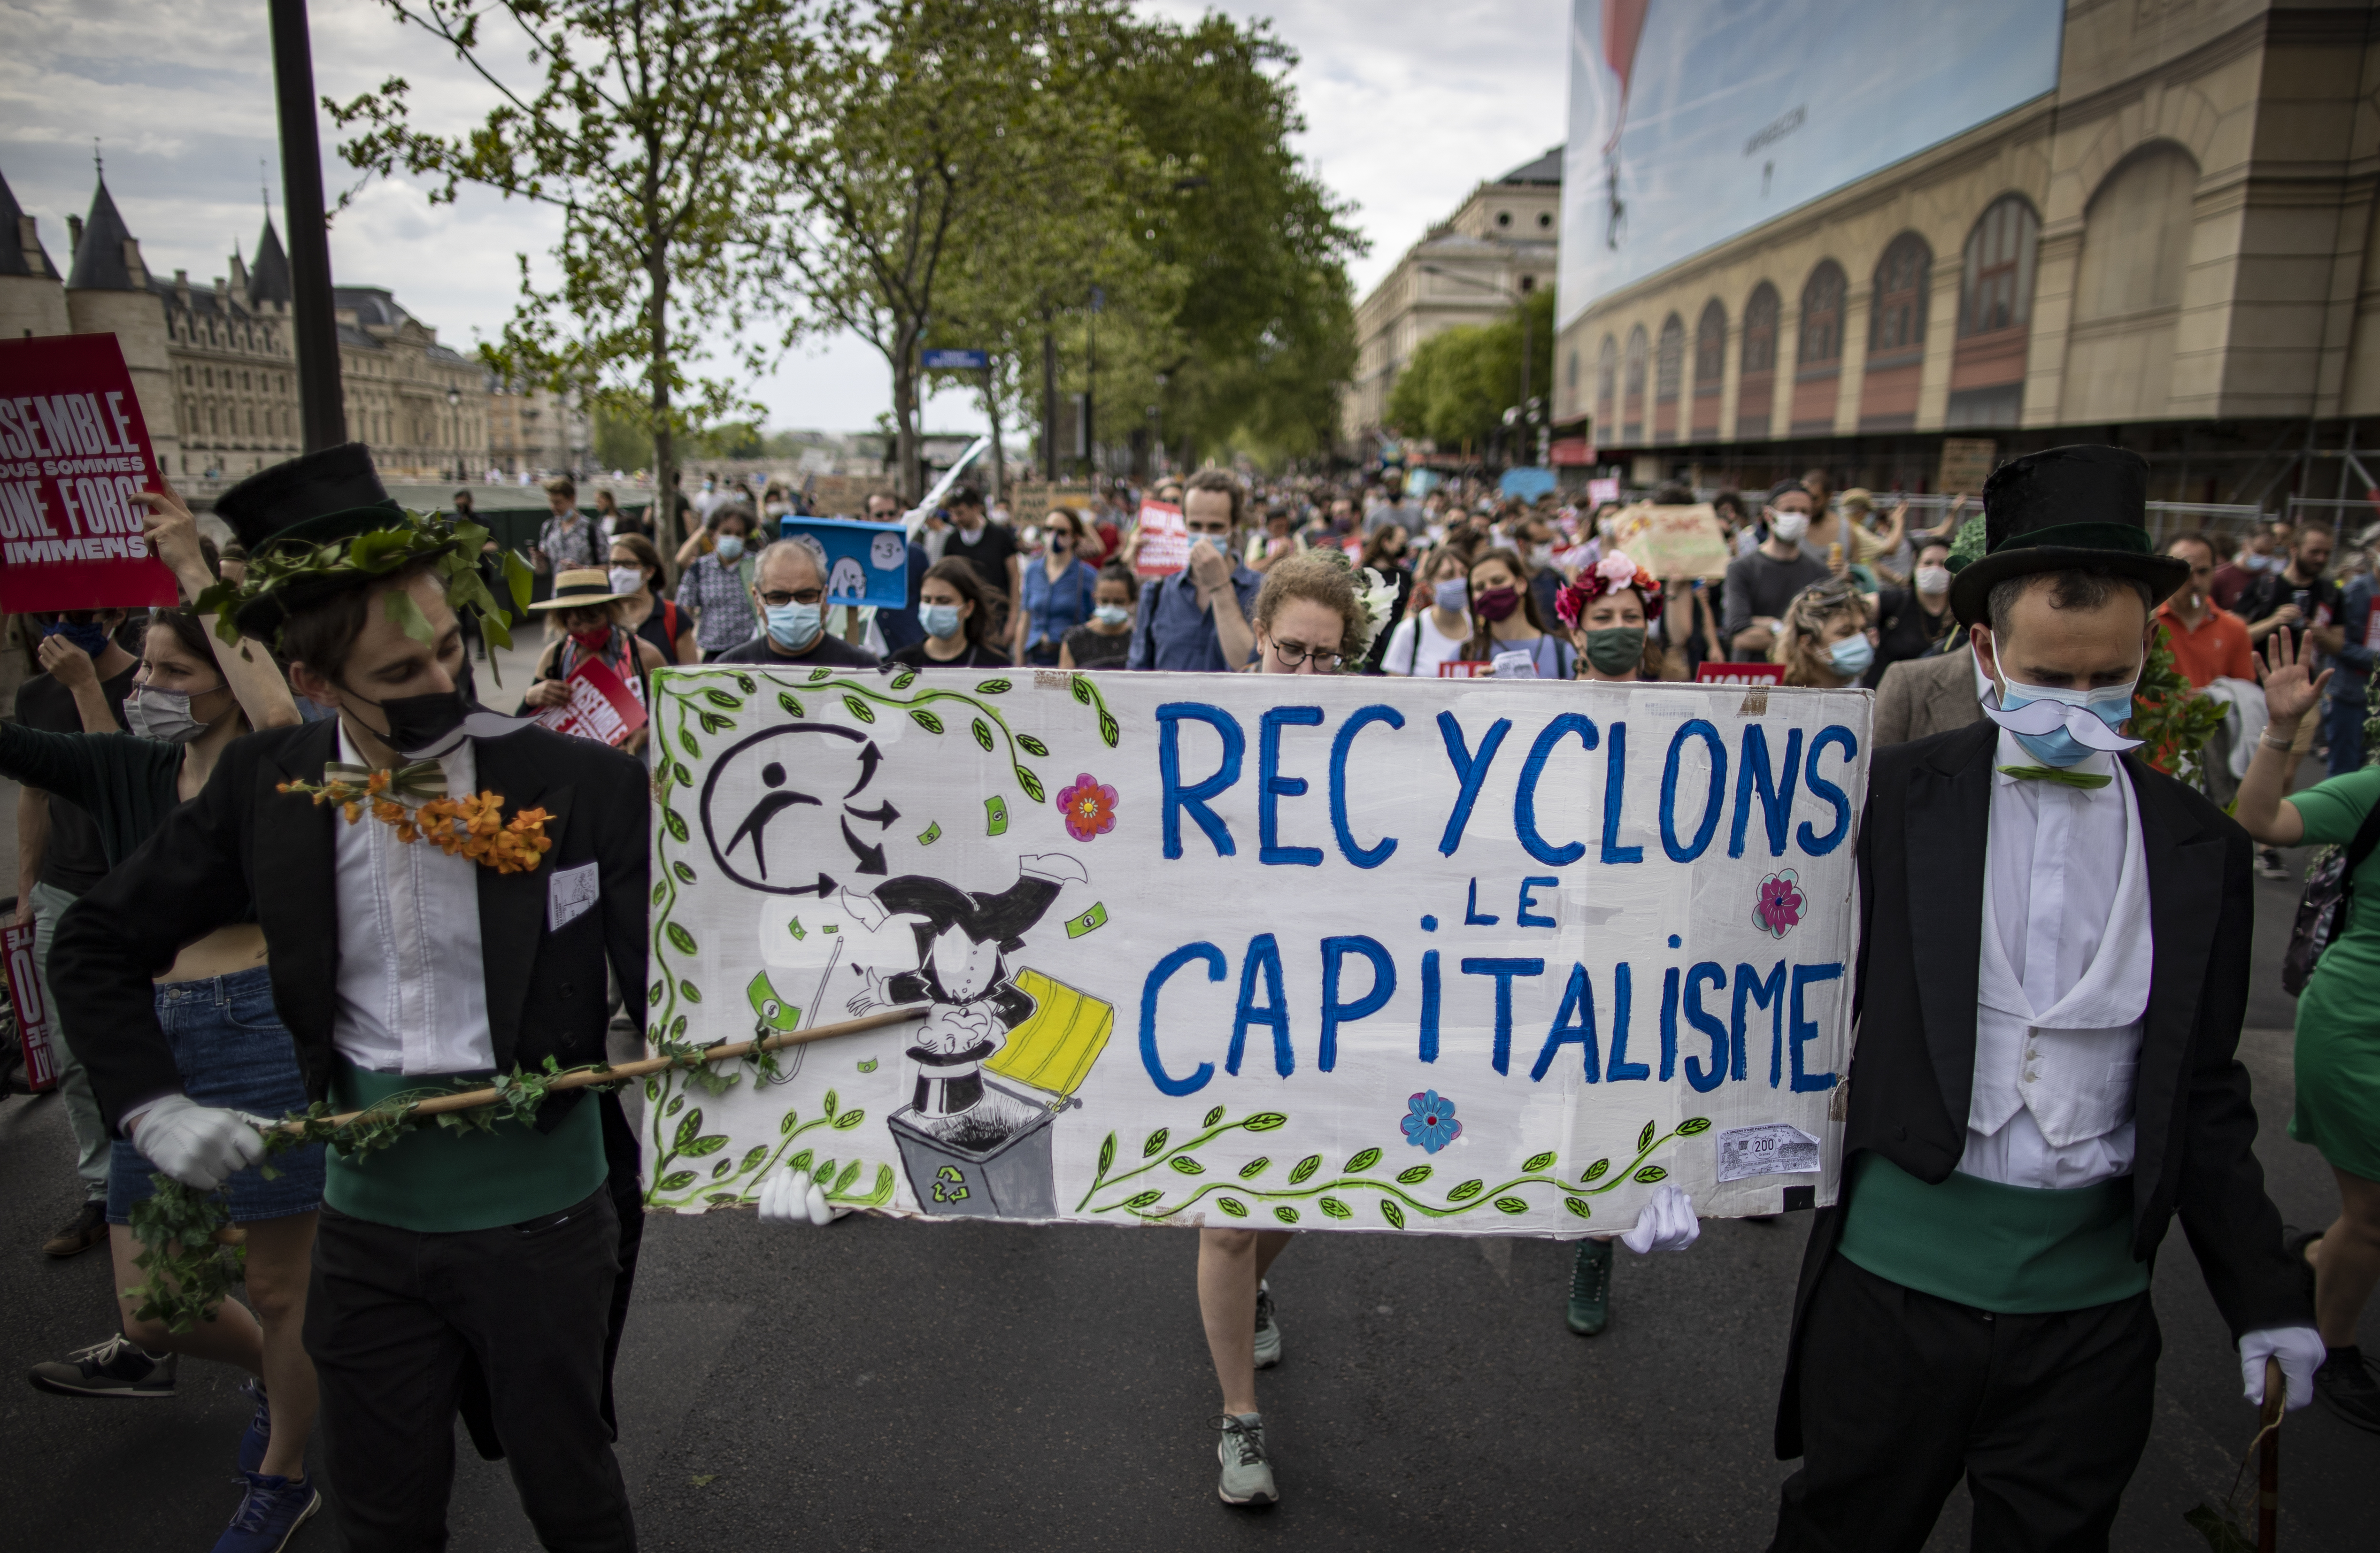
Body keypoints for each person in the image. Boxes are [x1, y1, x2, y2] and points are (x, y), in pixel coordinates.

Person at [54, 443, 652, 1553]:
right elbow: (94, 941)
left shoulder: (584, 784)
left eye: (451, 648)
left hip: (549, 1227)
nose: (445, 686)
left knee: (573, 1492)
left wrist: (769, 1140)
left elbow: (676, 990)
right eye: (402, 672)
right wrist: (151, 1104)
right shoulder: (273, 784)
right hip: (367, 1235)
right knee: (381, 1514)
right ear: (317, 684)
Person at [1769, 445, 2321, 1552]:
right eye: (2048, 679)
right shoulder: (1886, 801)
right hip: (1889, 1294)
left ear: (2144, 652)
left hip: (2088, 1323)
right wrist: (1693, 1164)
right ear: (1984, 650)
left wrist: (2264, 1291)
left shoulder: (2200, 850)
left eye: (2104, 678)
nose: (2078, 706)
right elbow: (1778, 994)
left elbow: (2205, 1093)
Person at [12, 482, 325, 1550]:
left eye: (173, 671)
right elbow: (20, 750)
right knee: (155, 1308)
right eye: (143, 669)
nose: (148, 686)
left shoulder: (271, 762)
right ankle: (287, 1382)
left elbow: (280, 716)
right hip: (156, 1041)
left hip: (260, 1028)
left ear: (226, 680)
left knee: (279, 1287)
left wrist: (194, 567)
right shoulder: (132, 766)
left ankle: (285, 1471)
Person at [2232, 626, 2380, 1431]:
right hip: (2361, 1027)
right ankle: (2336, 1343)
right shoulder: (2371, 789)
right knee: (2377, 1211)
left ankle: (2324, 1256)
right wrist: (2282, 730)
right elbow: (2261, 817)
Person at [13, 603, 140, 1257]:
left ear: (114, 611)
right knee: (75, 1051)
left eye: (80, 611)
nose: (62, 623)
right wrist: (27, 889)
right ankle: (104, 1189)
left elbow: (124, 772)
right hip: (64, 892)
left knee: (162, 1041)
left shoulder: (154, 682)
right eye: (50, 614)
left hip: (141, 890)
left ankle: (186, 1185)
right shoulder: (35, 696)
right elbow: (34, 793)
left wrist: (87, 684)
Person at [1128, 469, 1260, 672]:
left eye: (1216, 527)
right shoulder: (1156, 594)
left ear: (1234, 525)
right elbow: (1137, 672)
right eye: (1195, 526)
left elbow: (1251, 667)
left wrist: (1220, 586)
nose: (1204, 537)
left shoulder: (1262, 591)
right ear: (1184, 523)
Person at [523, 569, 669, 748]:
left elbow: (674, 713)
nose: (585, 630)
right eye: (576, 624)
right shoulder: (555, 657)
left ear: (610, 614)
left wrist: (646, 733)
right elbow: (521, 723)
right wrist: (531, 697)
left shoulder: (644, 655)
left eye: (593, 621)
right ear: (563, 622)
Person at [713, 535, 882, 669]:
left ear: (825, 598)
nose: (793, 607)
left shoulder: (862, 669)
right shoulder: (728, 671)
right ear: (757, 600)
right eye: (778, 597)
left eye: (806, 596)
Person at [1722, 480, 1830, 660]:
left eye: (1804, 512)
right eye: (1789, 511)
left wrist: (1769, 626)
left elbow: (1825, 634)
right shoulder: (1742, 569)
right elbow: (1740, 637)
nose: (1797, 517)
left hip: (1800, 674)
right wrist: (1800, 636)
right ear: (1769, 515)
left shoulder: (1820, 572)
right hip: (1753, 673)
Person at [2154, 533, 2255, 691]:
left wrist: (2213, 699)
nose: (2195, 582)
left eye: (2203, 572)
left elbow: (2245, 692)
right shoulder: (2147, 622)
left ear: (2215, 571)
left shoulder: (2235, 629)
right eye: (2185, 572)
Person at [1557, 549, 1667, 687]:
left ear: (1645, 632)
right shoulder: (1552, 700)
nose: (1619, 626)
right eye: (1603, 618)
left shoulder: (1661, 700)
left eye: (1631, 617)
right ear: (1575, 634)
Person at [1461, 548, 1573, 679]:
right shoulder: (1463, 656)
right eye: (1479, 587)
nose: (1489, 590)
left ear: (1521, 584)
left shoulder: (1562, 653)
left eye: (1498, 581)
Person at [890, 557, 1011, 668]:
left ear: (968, 608)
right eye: (927, 600)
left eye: (944, 601)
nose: (932, 608)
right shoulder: (901, 664)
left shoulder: (994, 666)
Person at [1015, 508, 1099, 666]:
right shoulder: (1033, 571)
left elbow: (1095, 622)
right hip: (1035, 655)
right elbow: (1025, 620)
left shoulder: (1087, 575)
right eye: (1048, 529)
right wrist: (1019, 663)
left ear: (1075, 537)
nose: (1053, 536)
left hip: (1069, 659)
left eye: (1062, 532)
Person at [2325, 542, 2380, 775]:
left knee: (2369, 771)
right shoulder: (2354, 593)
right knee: (2344, 770)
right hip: (2350, 694)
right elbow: (2336, 644)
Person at [1379, 546, 1474, 677]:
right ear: (1429, 587)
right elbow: (1394, 686)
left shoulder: (1479, 628)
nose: (1459, 581)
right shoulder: (1410, 630)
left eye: (1464, 574)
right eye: (1448, 575)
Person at [681, 507, 759, 659]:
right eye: (726, 532)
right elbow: (684, 613)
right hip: (713, 654)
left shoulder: (757, 567)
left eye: (739, 534)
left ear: (746, 537)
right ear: (713, 534)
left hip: (750, 653)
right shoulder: (699, 569)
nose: (733, 538)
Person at [941, 486, 1021, 633]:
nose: (956, 519)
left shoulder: (1000, 537)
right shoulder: (952, 541)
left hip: (997, 618)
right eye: (953, 514)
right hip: (964, 621)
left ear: (976, 508)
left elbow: (1015, 577)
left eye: (960, 513)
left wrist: (1013, 619)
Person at [1774, 578, 1877, 690]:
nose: (1860, 639)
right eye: (1845, 632)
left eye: (1863, 630)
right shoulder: (1779, 697)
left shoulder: (1870, 695)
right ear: (1808, 645)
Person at [609, 533, 694, 666]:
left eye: (629, 564)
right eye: (614, 564)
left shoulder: (673, 616)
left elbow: (691, 671)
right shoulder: (605, 616)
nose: (619, 572)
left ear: (649, 571)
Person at [1058, 565, 1136, 670]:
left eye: (1119, 602)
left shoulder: (1137, 640)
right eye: (1104, 601)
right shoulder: (1075, 640)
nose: (1111, 607)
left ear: (1132, 600)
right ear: (1094, 598)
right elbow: (1065, 678)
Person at [532, 476, 598, 583]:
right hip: (560, 590)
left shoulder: (592, 528)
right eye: (551, 502)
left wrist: (583, 569)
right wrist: (537, 559)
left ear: (572, 499)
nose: (554, 507)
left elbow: (609, 567)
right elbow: (541, 570)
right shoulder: (549, 527)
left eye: (558, 503)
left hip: (587, 589)